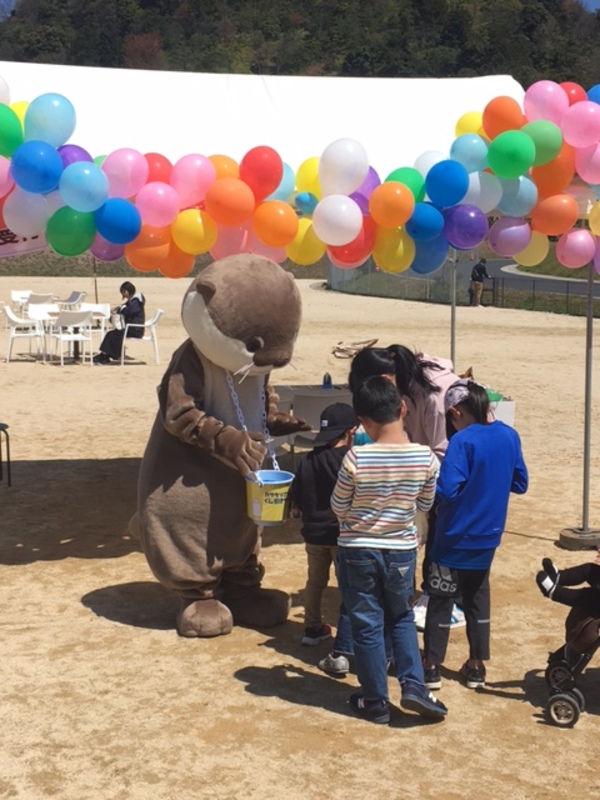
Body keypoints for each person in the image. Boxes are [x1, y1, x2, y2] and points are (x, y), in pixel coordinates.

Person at [331, 375, 448, 724]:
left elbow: (338, 506)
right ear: (402, 408)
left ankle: (375, 701)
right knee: (400, 616)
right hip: (401, 550)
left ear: (362, 421)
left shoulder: (356, 458)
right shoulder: (426, 458)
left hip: (357, 549)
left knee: (367, 624)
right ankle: (413, 684)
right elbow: (426, 502)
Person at [344, 345, 464, 629]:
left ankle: (447, 600)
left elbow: (444, 453)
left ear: (387, 378)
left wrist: (407, 476)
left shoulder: (435, 395)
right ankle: (428, 594)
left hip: (454, 475)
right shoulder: (403, 391)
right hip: (427, 471)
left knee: (439, 536)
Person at [422, 379, 528, 691]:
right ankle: (477, 665)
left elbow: (446, 490)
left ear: (456, 412)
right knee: (477, 597)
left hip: (452, 537)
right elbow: (520, 483)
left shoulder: (463, 441)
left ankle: (431, 667)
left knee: (440, 599)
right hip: (488, 538)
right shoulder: (510, 436)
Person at [290, 403, 358, 647]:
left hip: (313, 535)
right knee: (348, 586)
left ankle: (312, 627)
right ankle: (347, 634)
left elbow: (296, 497)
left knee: (315, 582)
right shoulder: (350, 460)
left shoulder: (307, 459)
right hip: (341, 535)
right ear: (350, 431)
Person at [93, 281, 145, 364]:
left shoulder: (136, 302)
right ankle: (104, 354)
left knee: (115, 335)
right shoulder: (134, 301)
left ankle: (107, 355)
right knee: (111, 334)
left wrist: (120, 310)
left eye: (123, 292)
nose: (123, 295)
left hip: (135, 329)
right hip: (131, 327)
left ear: (126, 291)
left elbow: (129, 311)